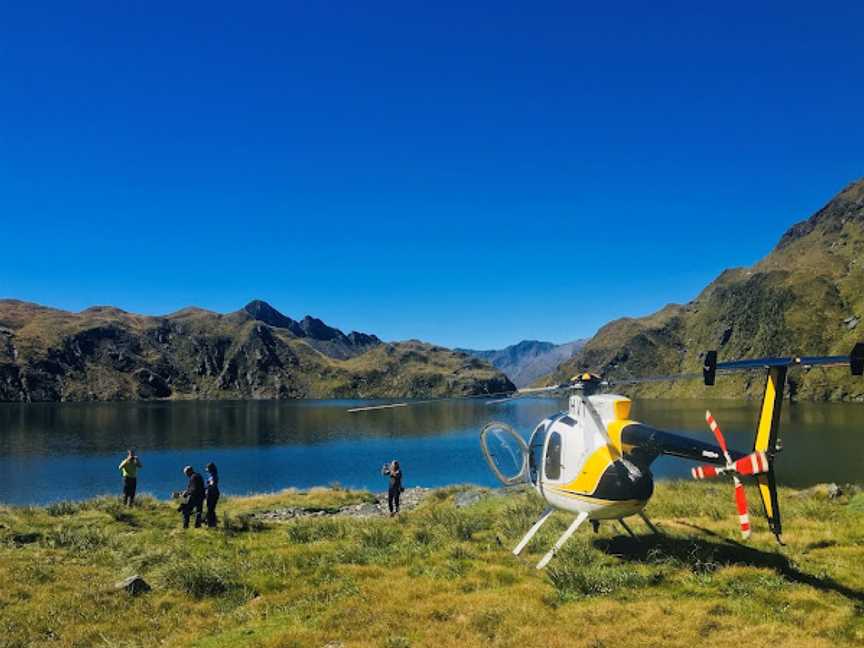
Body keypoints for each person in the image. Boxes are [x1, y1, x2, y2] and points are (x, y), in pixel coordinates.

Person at [204, 462, 220, 528]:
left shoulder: (213, 476)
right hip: (213, 493)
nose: (207, 471)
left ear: (211, 469)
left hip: (212, 494)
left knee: (210, 509)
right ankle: (212, 523)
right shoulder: (213, 475)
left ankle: (211, 524)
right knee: (211, 509)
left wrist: (207, 486)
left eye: (208, 469)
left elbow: (212, 484)